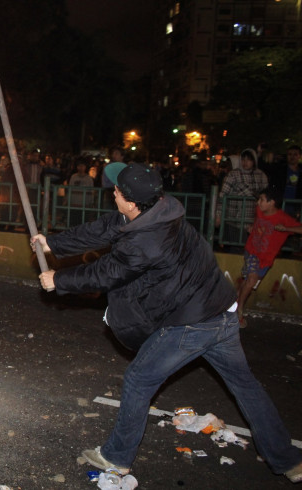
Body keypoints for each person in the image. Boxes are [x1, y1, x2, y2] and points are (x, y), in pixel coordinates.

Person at [30, 162, 302, 483]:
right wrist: (54, 244)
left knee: (138, 379)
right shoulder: (161, 209)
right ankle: (287, 460)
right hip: (223, 308)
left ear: (131, 201)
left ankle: (117, 457)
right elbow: (105, 228)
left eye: (117, 191)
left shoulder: (146, 241)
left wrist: (57, 279)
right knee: (245, 385)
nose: (113, 193)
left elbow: (106, 272)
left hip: (193, 322)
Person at [236, 186, 302, 327]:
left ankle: (234, 303)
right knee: (251, 280)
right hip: (252, 251)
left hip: (266, 259)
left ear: (272, 202)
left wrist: (286, 229)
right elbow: (258, 223)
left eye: (262, 200)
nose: (258, 202)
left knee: (249, 282)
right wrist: (252, 228)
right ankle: (238, 312)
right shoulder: (259, 210)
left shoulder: (282, 218)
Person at [216, 148, 268, 247]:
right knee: (236, 247)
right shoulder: (233, 175)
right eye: (243, 159)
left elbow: (266, 195)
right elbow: (223, 194)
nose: (245, 162)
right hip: (235, 219)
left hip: (254, 219)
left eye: (248, 159)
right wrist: (218, 214)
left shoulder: (261, 175)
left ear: (254, 161)